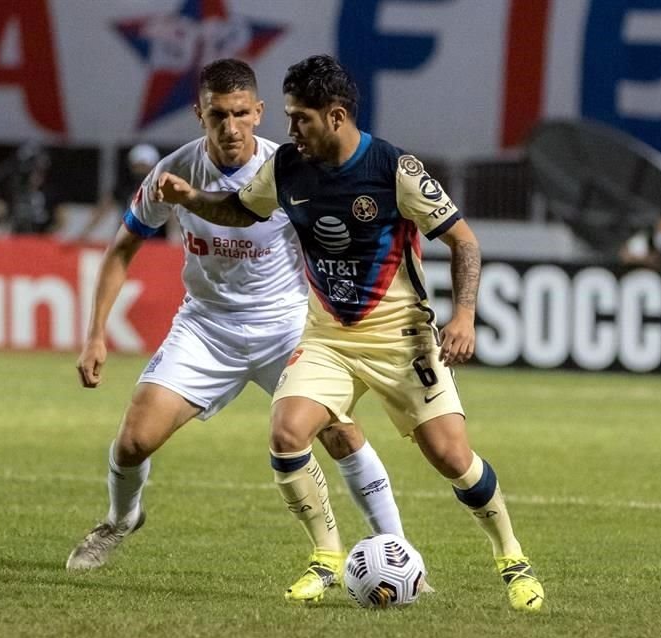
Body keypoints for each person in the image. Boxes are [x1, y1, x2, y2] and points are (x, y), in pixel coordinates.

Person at [155, 54, 545, 612]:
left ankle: (513, 559)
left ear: (336, 116)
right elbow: (244, 211)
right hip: (328, 337)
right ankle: (327, 556)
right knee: (288, 433)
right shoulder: (289, 167)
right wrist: (191, 200)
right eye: (288, 117)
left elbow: (465, 242)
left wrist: (464, 315)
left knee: (452, 456)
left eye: (300, 119)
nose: (288, 132)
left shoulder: (394, 169)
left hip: (401, 338)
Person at [65, 59, 406, 603]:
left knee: (340, 432)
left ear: (259, 113)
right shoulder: (173, 175)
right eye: (218, 115)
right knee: (132, 442)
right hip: (206, 327)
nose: (230, 127)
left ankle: (396, 549)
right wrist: (95, 333)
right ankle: (120, 519)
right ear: (200, 114)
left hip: (286, 326)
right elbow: (122, 247)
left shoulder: (292, 168)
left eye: (241, 114)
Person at [76, 144, 179, 243]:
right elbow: (102, 210)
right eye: (137, 166)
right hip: (126, 240)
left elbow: (171, 215)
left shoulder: (162, 188)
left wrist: (172, 239)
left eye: (144, 166)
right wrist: (84, 234)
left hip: (154, 242)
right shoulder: (124, 188)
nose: (140, 170)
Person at [0, 142, 65, 235]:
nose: (36, 176)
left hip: (40, 238)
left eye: (40, 172)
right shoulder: (14, 191)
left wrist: (48, 236)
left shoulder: (50, 192)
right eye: (31, 172)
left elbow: (61, 219)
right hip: (18, 238)